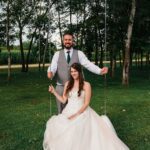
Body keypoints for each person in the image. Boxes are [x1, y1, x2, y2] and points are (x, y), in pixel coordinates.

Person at [43, 63, 129, 150]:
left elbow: (86, 103)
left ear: (80, 72)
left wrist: (76, 115)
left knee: (77, 126)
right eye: (72, 71)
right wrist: (54, 91)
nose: (73, 73)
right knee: (61, 126)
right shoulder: (68, 84)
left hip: (82, 111)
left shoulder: (86, 85)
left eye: (75, 71)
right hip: (68, 110)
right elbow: (64, 100)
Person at [47, 32, 108, 113]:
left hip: (76, 88)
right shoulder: (57, 54)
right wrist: (50, 72)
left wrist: (100, 71)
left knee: (78, 110)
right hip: (61, 87)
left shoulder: (79, 53)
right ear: (63, 41)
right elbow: (53, 66)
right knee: (61, 111)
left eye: (69, 40)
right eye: (65, 40)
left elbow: (88, 64)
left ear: (73, 41)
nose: (67, 41)